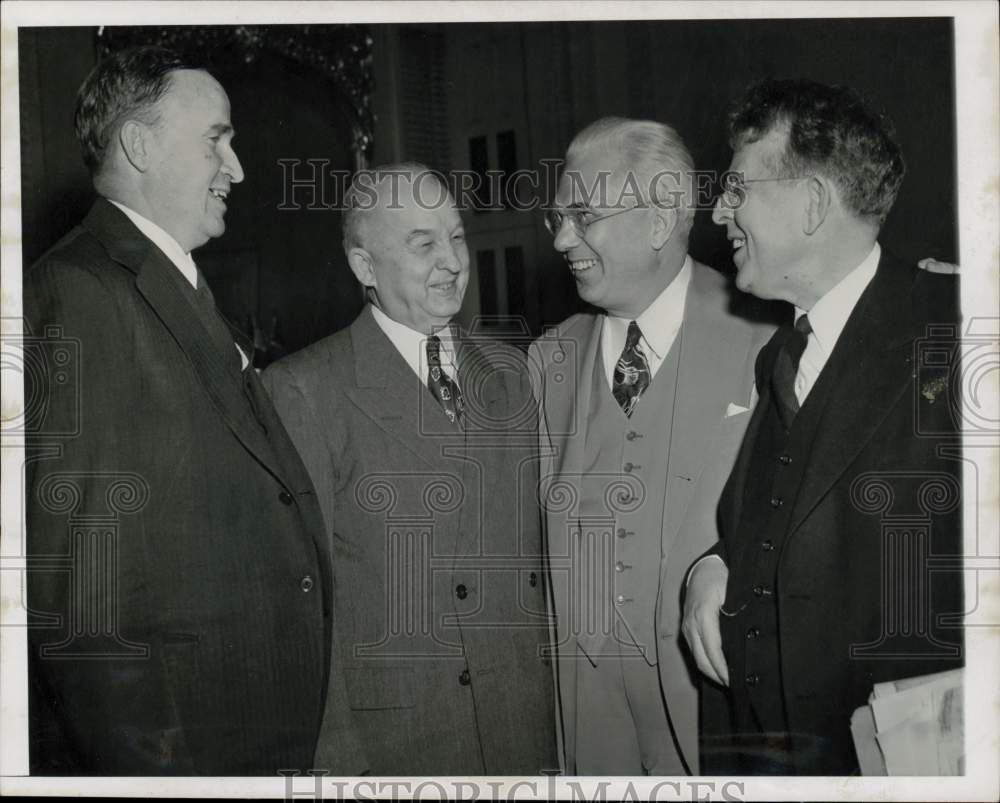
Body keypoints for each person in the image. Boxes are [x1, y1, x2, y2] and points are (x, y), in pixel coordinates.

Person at [23, 46, 363, 775]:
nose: (237, 168)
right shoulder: (82, 295)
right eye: (217, 138)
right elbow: (85, 608)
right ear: (140, 146)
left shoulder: (171, 287)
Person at [682, 79, 964, 775]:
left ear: (810, 205)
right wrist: (712, 565)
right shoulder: (781, 355)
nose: (719, 212)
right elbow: (771, 520)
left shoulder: (957, 331)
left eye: (738, 188)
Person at [261, 163, 556, 775]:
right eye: (423, 244)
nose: (451, 261)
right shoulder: (305, 390)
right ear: (364, 267)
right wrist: (339, 768)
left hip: (522, 730)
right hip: (399, 745)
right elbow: (296, 607)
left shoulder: (512, 373)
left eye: (455, 236)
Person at [529, 118, 776, 774]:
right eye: (557, 217)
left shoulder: (767, 340)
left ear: (661, 218)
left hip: (716, 727)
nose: (560, 239)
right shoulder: (546, 361)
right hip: (587, 735)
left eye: (582, 215)